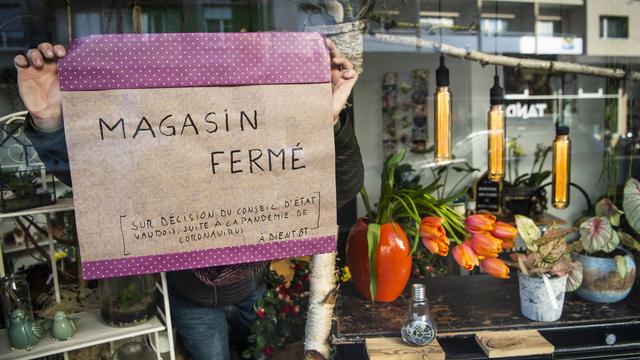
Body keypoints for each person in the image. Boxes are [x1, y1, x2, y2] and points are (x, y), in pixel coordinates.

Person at [15, 38, 363, 360]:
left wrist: (327, 119)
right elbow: (100, 185)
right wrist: (50, 124)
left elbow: (338, 190)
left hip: (255, 291)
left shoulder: (262, 150)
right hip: (191, 303)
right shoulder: (161, 153)